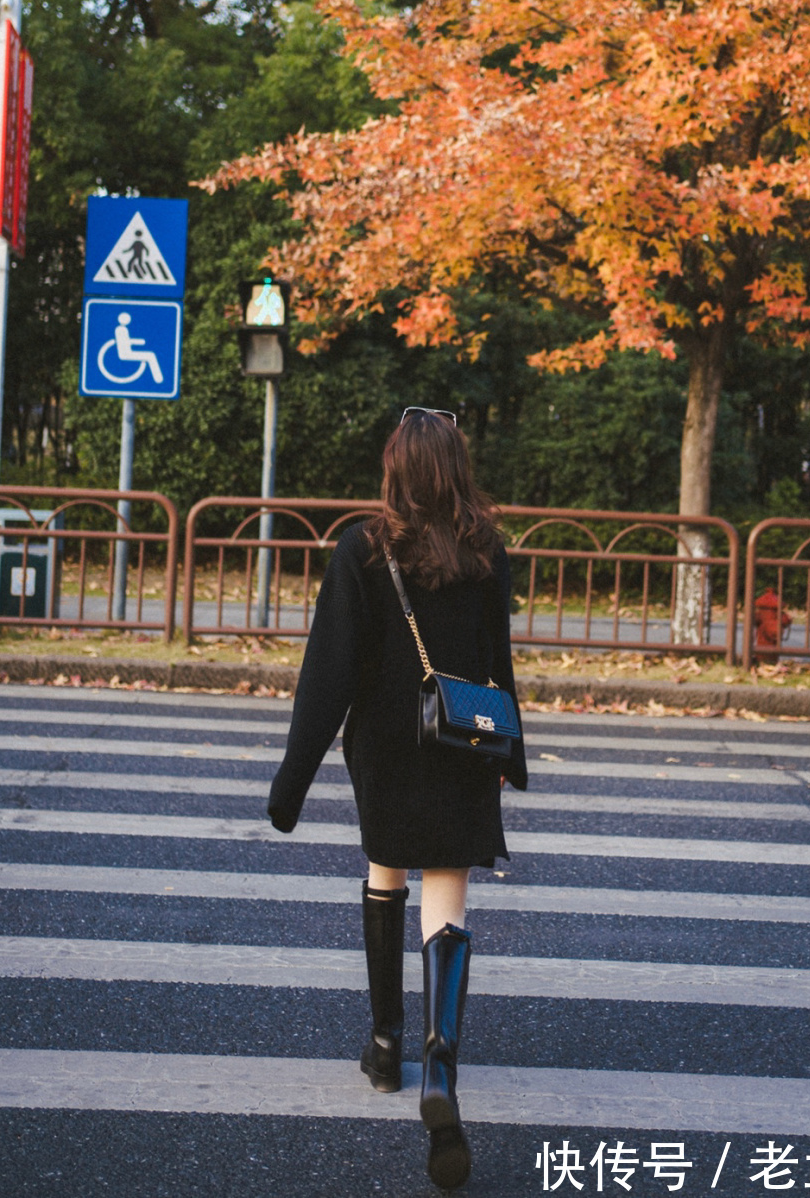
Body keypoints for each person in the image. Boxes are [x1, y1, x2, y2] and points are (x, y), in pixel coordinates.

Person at [267, 407, 528, 1190]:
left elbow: (330, 672)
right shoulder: (487, 551)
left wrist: (293, 781)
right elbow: (497, 662)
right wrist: (511, 759)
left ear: (394, 468)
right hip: (463, 745)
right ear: (456, 467)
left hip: (385, 744)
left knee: (387, 871)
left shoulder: (364, 547)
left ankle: (386, 1049)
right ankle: (440, 1064)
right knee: (448, 896)